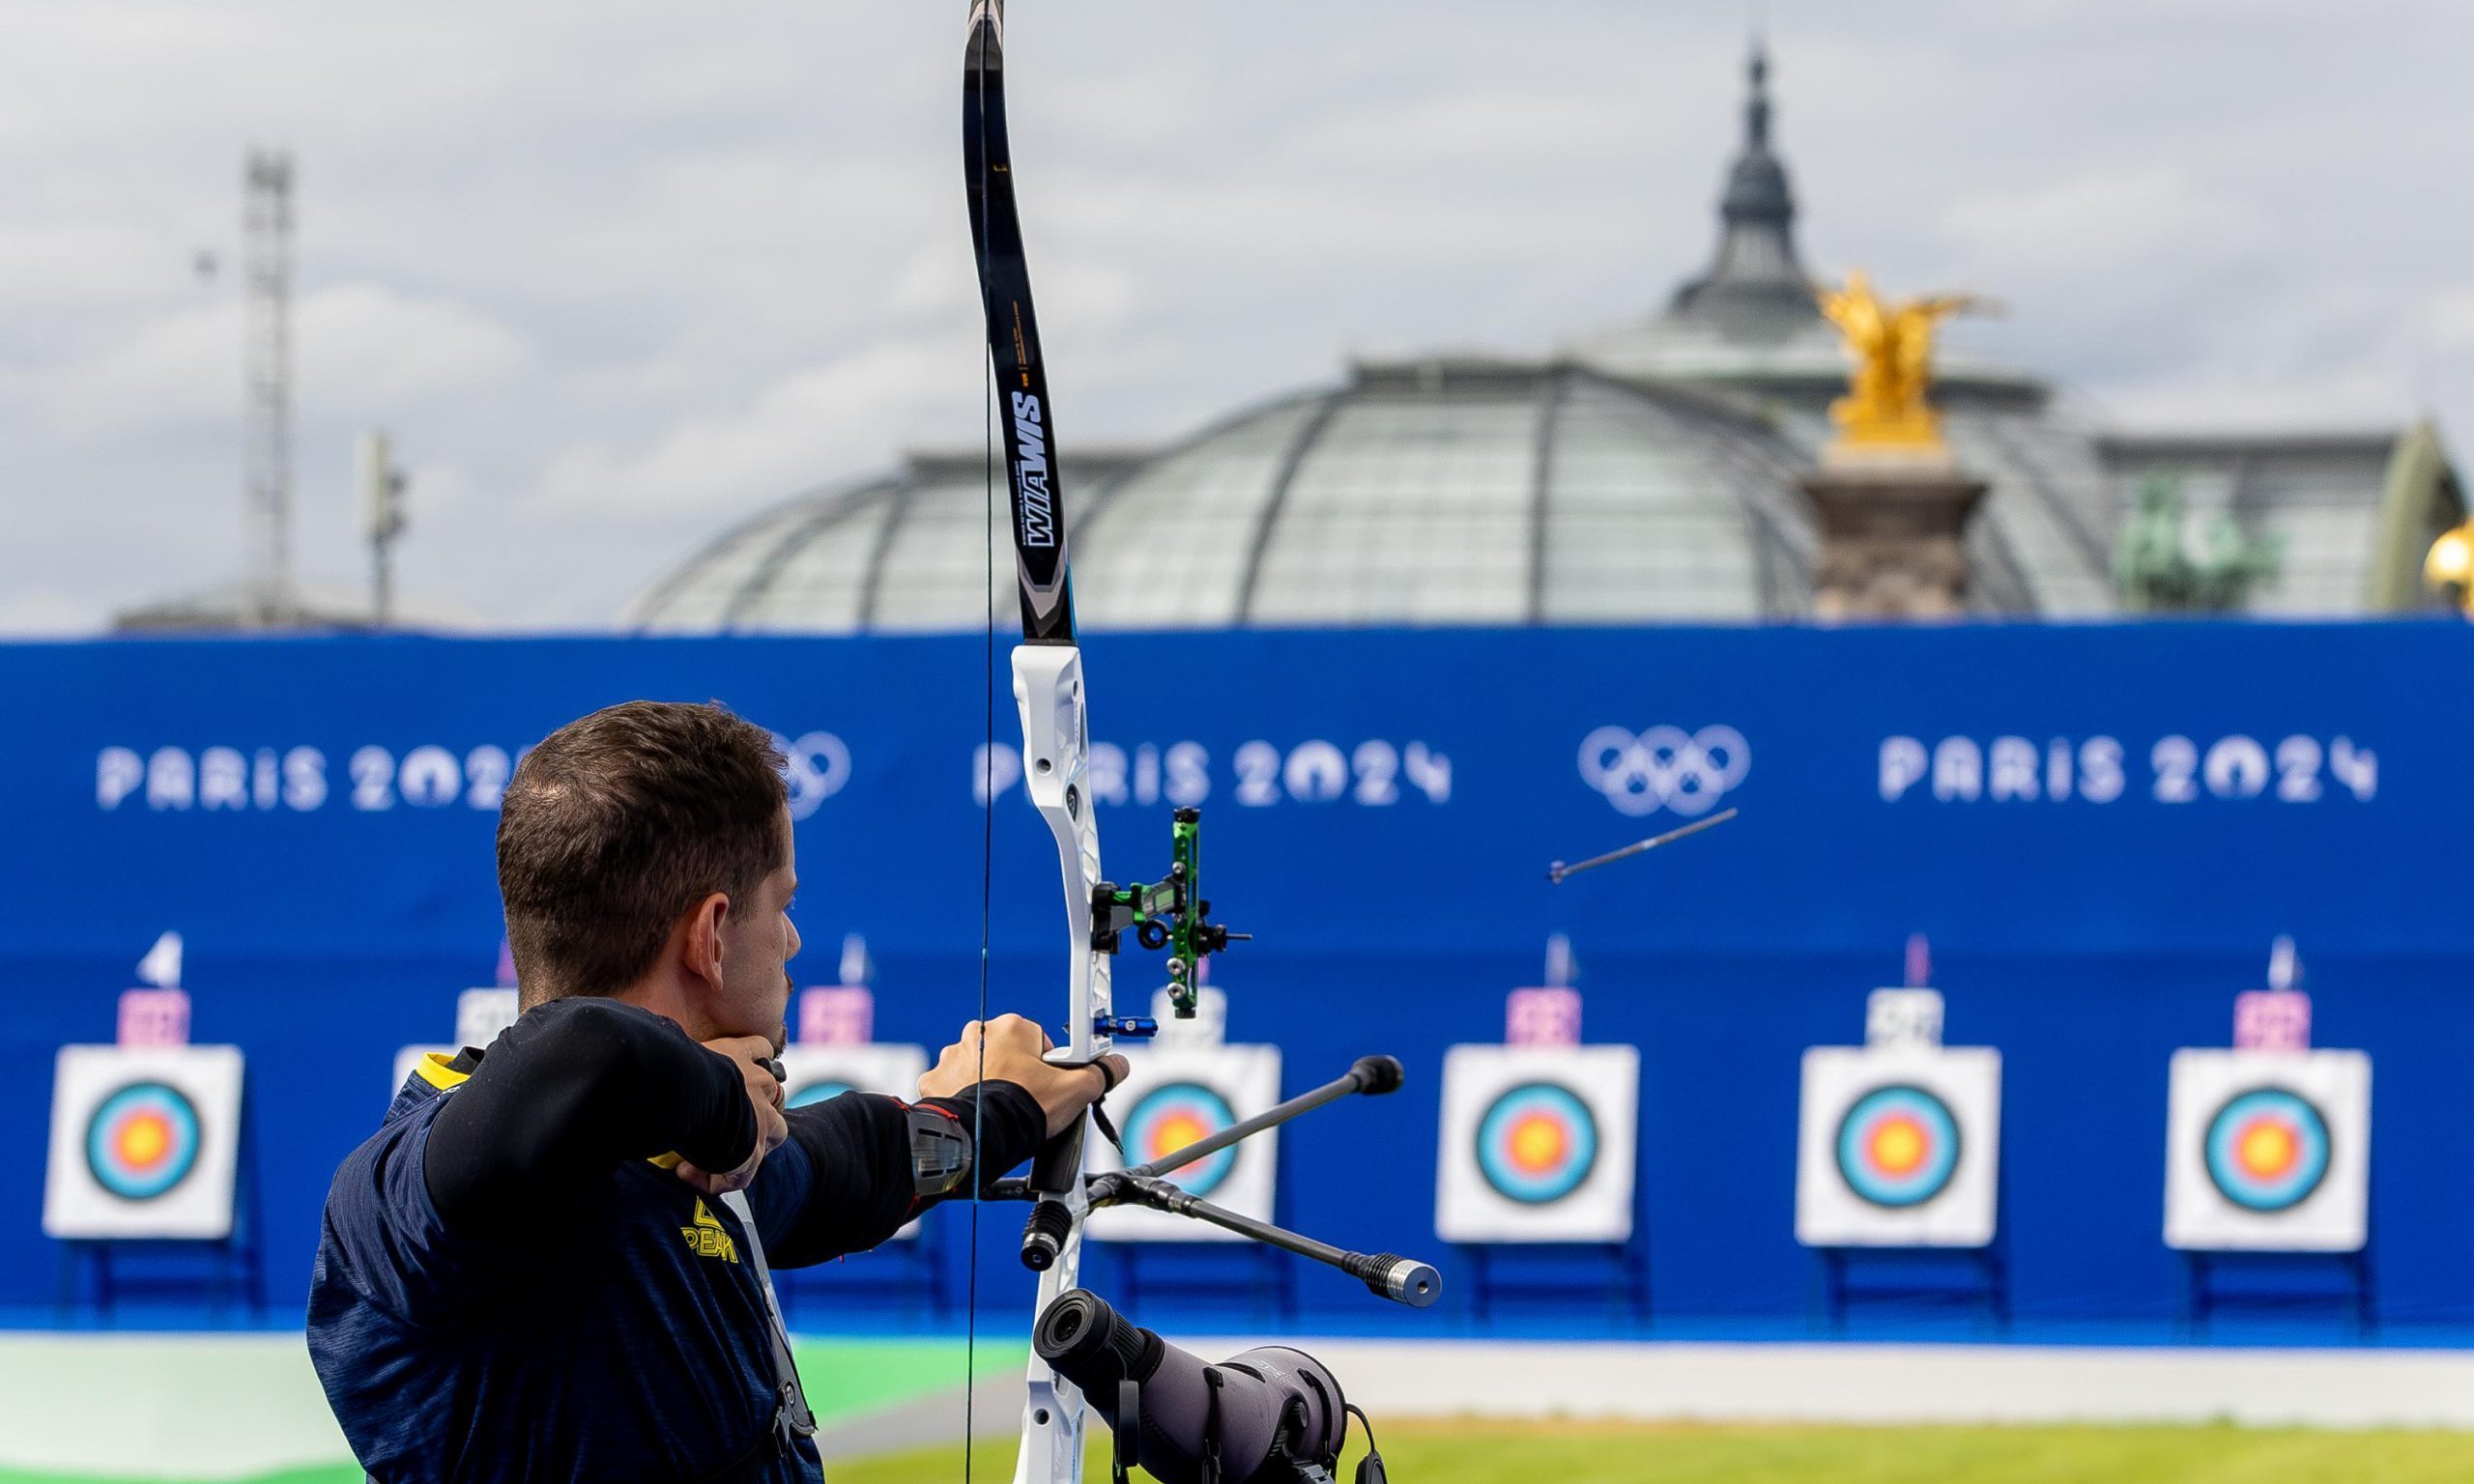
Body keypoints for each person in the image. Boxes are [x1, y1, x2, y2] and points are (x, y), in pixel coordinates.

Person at [307, 699, 1123, 1482]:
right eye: (784, 905)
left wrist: (996, 1107)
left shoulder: (683, 1166)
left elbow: (860, 1166)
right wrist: (723, 1110)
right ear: (711, 935)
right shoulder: (413, 1193)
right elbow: (584, 1050)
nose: (795, 939)